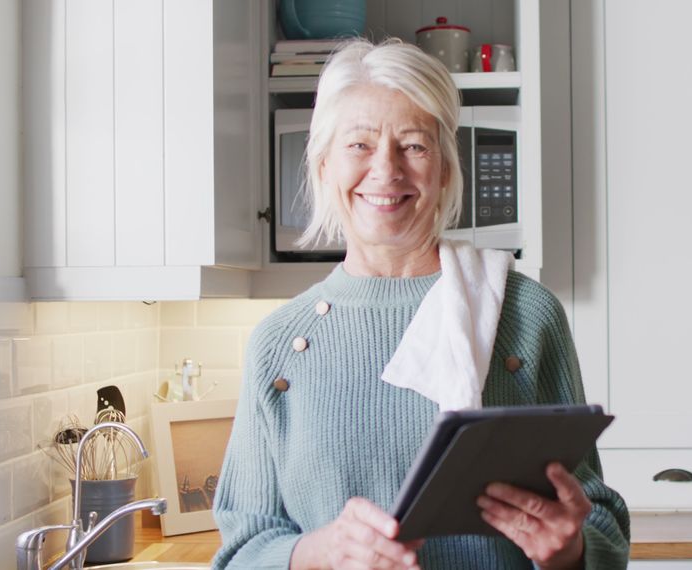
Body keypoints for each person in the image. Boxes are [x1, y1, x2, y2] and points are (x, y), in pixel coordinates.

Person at [212, 38, 629, 569]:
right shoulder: (279, 345)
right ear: (322, 167)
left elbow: (601, 520)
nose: (386, 170)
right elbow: (241, 552)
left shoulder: (526, 315)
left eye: (413, 145)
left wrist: (572, 548)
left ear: (445, 170)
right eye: (359, 145)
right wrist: (319, 553)